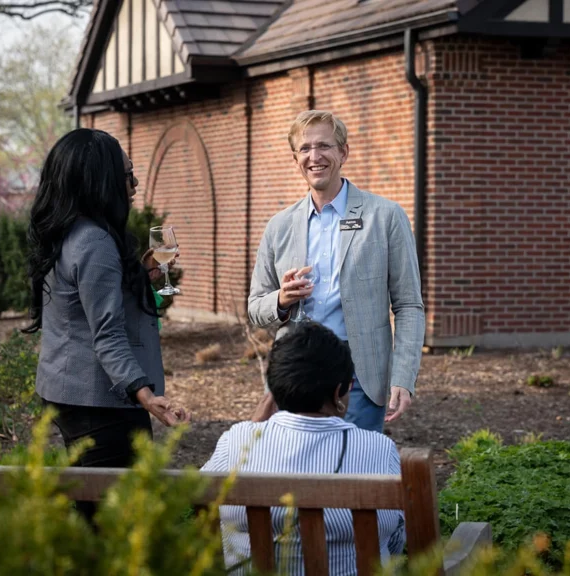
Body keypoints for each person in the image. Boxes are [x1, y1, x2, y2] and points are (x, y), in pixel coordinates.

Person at [247, 110, 425, 432]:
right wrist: (282, 300)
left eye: (324, 146)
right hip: (296, 373)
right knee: (295, 475)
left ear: (343, 152)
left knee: (354, 473)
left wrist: (403, 376)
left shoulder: (385, 217)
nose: (314, 157)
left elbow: (409, 305)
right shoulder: (280, 226)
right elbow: (256, 306)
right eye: (305, 149)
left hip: (360, 376)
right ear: (295, 158)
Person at [24, 127, 189, 471]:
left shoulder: (68, 230)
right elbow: (107, 334)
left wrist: (139, 277)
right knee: (112, 516)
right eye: (128, 175)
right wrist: (146, 396)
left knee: (93, 504)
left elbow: (79, 306)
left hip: (67, 388)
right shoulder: (95, 243)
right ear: (102, 181)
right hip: (99, 400)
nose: (135, 185)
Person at [201, 321, 406, 574]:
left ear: (274, 388)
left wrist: (250, 427)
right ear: (338, 393)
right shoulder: (379, 450)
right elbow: (395, 542)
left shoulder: (235, 442)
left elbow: (203, 510)